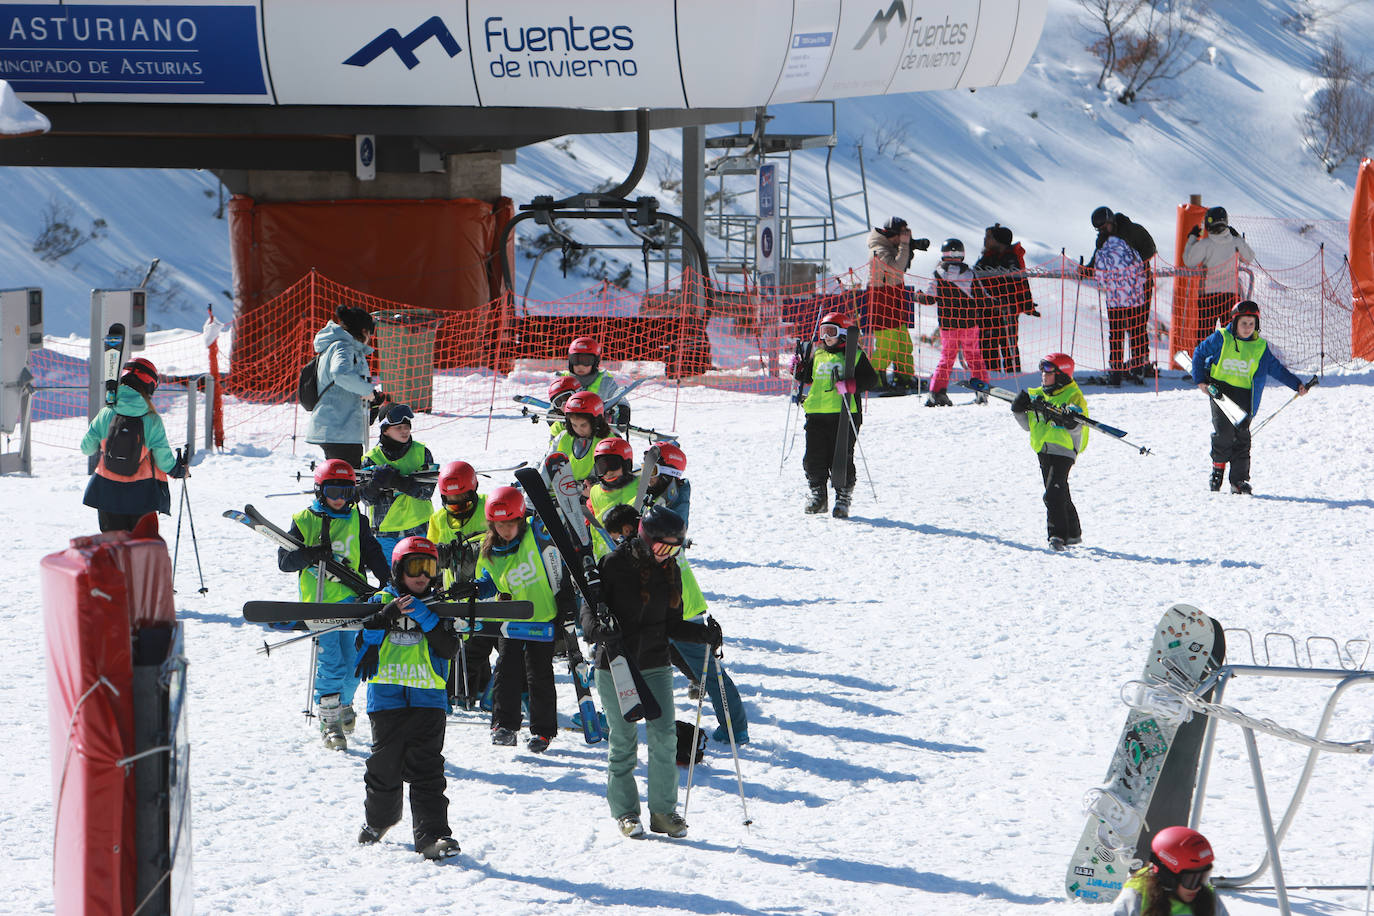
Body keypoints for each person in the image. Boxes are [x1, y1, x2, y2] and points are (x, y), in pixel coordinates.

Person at [584, 505, 721, 839]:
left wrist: (703, 634)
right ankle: (627, 813)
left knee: (664, 736)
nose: (667, 555)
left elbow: (671, 624)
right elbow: (587, 616)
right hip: (616, 664)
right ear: (645, 540)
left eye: (675, 549)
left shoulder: (669, 571)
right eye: (663, 547)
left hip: (655, 663)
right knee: (624, 741)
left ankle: (663, 811)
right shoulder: (614, 565)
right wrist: (599, 629)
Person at [354, 537, 462, 860]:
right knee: (383, 768)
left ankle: (434, 835)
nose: (422, 576)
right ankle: (380, 819)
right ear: (399, 569)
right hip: (386, 699)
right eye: (415, 567)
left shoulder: (438, 607)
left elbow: (449, 649)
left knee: (427, 770)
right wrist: (381, 619)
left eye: (429, 568)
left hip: (428, 699)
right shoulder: (380, 600)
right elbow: (363, 647)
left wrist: (428, 619)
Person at [277, 459, 390, 749]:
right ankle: (328, 720)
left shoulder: (358, 521)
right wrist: (309, 554)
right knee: (332, 664)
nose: (339, 499)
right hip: (319, 605)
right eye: (333, 491)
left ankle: (343, 704)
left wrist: (388, 578)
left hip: (353, 602)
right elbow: (285, 562)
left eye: (346, 492)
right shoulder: (304, 520)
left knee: (355, 662)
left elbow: (374, 553)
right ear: (319, 490)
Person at [474, 486, 573, 752]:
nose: (505, 529)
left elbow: (553, 525)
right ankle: (504, 725)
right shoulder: (489, 551)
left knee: (539, 673)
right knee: (506, 670)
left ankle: (542, 730)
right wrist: (476, 588)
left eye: (510, 523)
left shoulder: (536, 535)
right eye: (499, 524)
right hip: (511, 620)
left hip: (543, 618)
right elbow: (488, 582)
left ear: (520, 519)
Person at [1189, 300, 1307, 494]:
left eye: (1251, 324)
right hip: (1220, 391)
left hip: (1245, 396)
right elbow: (1199, 353)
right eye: (1243, 323)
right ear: (1235, 322)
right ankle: (1218, 469)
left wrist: (1297, 384)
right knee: (1224, 434)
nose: (1247, 328)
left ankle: (1239, 480)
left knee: (1242, 438)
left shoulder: (1260, 347)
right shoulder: (1222, 337)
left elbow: (1276, 369)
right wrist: (1201, 380)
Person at [790, 311, 880, 518]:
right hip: (816, 413)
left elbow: (871, 379)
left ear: (843, 333)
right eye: (823, 332)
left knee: (841, 458)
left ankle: (843, 497)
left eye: (831, 331)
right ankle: (818, 495)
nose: (826, 337)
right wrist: (797, 368)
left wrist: (851, 385)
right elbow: (807, 377)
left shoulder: (855, 355)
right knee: (813, 457)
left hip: (844, 415)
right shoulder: (819, 354)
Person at [81, 357, 183, 531]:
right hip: (142, 495)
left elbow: (86, 448)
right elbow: (163, 460)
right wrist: (178, 470)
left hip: (106, 492)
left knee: (113, 549)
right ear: (150, 386)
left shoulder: (106, 412)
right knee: (141, 549)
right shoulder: (152, 420)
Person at [426, 460, 493, 708]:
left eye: (463, 502)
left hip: (488, 588)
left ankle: (481, 686)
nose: (457, 508)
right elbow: (431, 555)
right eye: (450, 502)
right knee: (464, 642)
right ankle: (476, 686)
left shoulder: (489, 506)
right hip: (455, 591)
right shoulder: (438, 519)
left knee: (481, 641)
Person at [1011, 354, 1089, 551]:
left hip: (1063, 450)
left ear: (1061, 375)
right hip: (1043, 449)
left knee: (1052, 493)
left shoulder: (1073, 396)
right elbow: (1028, 426)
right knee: (1059, 489)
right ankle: (1073, 532)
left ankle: (1057, 535)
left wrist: (1071, 419)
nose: (1043, 376)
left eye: (1048, 372)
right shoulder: (1038, 395)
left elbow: (1078, 427)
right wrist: (1019, 411)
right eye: (1042, 372)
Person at [306, 304, 389, 469]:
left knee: (345, 479)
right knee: (347, 483)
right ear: (364, 331)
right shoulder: (343, 346)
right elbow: (340, 374)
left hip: (340, 428)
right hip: (340, 430)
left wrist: (369, 399)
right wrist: (367, 391)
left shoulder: (339, 346)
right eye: (371, 334)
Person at [914, 239, 990, 406]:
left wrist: (918, 296)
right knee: (974, 357)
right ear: (962, 254)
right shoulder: (970, 274)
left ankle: (937, 392)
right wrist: (993, 303)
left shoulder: (937, 274)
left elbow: (929, 298)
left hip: (948, 325)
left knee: (947, 358)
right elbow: (981, 297)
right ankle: (981, 391)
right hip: (969, 323)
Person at [1086, 208, 1158, 380]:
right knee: (1117, 329)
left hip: (1140, 288)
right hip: (1117, 292)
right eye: (1100, 229)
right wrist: (1086, 270)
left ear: (1112, 221)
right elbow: (1097, 262)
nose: (1103, 231)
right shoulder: (1103, 239)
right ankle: (1117, 367)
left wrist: (1131, 265)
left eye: (1105, 227)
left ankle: (1140, 364)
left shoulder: (1133, 230)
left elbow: (1151, 249)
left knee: (1137, 327)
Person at [360, 404, 437, 562]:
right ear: (385, 430)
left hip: (419, 526)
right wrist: (375, 485)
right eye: (399, 427)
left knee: (421, 576)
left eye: (407, 426)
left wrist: (398, 481)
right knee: (392, 580)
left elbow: (426, 493)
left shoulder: (422, 452)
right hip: (387, 531)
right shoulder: (372, 458)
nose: (405, 431)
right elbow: (365, 500)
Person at [866, 216, 930, 391]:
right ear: (891, 235)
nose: (903, 239)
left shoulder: (889, 246)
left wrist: (912, 244)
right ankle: (875, 380)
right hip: (882, 306)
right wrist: (905, 245)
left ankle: (905, 377)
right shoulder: (879, 250)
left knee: (904, 344)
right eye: (901, 235)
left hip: (895, 303)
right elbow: (897, 266)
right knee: (887, 345)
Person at [1111, 826, 1229, 916]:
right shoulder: (1137, 896)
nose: (1198, 887)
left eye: (1203, 878)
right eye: (1191, 880)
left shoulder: (1206, 898)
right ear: (1168, 876)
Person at [1184, 206, 1256, 342]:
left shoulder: (1205, 244)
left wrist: (1192, 238)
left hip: (1208, 295)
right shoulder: (1234, 242)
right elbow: (1249, 257)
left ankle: (1205, 361)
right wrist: (1239, 238)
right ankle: (1232, 360)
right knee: (1232, 334)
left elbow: (1189, 262)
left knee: (1205, 335)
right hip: (1230, 295)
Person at [974, 224, 1039, 374]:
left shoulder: (1010, 259)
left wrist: (1027, 304)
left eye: (989, 237)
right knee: (988, 346)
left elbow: (1020, 282)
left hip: (1006, 309)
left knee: (1007, 344)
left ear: (998, 240)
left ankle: (1013, 376)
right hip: (987, 309)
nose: (985, 240)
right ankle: (992, 376)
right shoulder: (986, 257)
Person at [547, 390, 614, 484]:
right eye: (574, 425)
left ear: (596, 421)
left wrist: (593, 490)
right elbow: (546, 468)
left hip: (593, 494)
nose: (578, 430)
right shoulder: (562, 437)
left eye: (583, 425)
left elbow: (612, 479)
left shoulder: (608, 443)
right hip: (564, 490)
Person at [564, 336, 629, 427]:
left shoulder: (605, 381)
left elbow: (618, 395)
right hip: (568, 431)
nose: (581, 366)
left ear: (595, 362)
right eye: (576, 360)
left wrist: (623, 408)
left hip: (598, 430)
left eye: (586, 361)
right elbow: (554, 404)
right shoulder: (563, 381)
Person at [587, 437, 638, 525]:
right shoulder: (595, 492)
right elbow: (590, 517)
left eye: (613, 465)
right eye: (602, 467)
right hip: (601, 538)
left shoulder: (641, 486)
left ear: (626, 465)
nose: (608, 472)